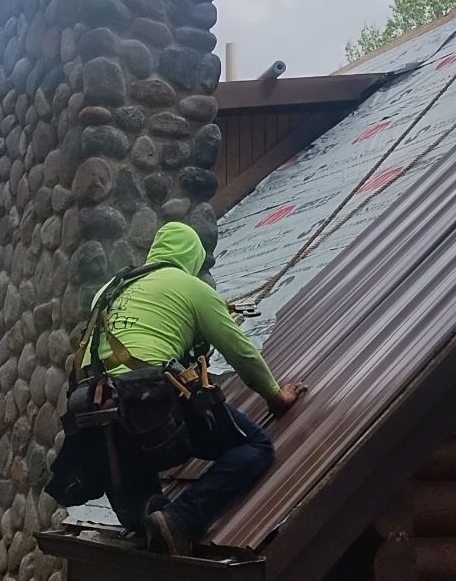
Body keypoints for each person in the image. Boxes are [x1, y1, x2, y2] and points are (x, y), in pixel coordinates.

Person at [75, 221, 305, 555]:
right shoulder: (191, 287)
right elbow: (242, 353)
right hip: (147, 403)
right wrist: (276, 396)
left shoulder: (110, 288)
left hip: (96, 410)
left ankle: (147, 522)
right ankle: (182, 519)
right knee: (255, 447)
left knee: (135, 468)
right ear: (193, 259)